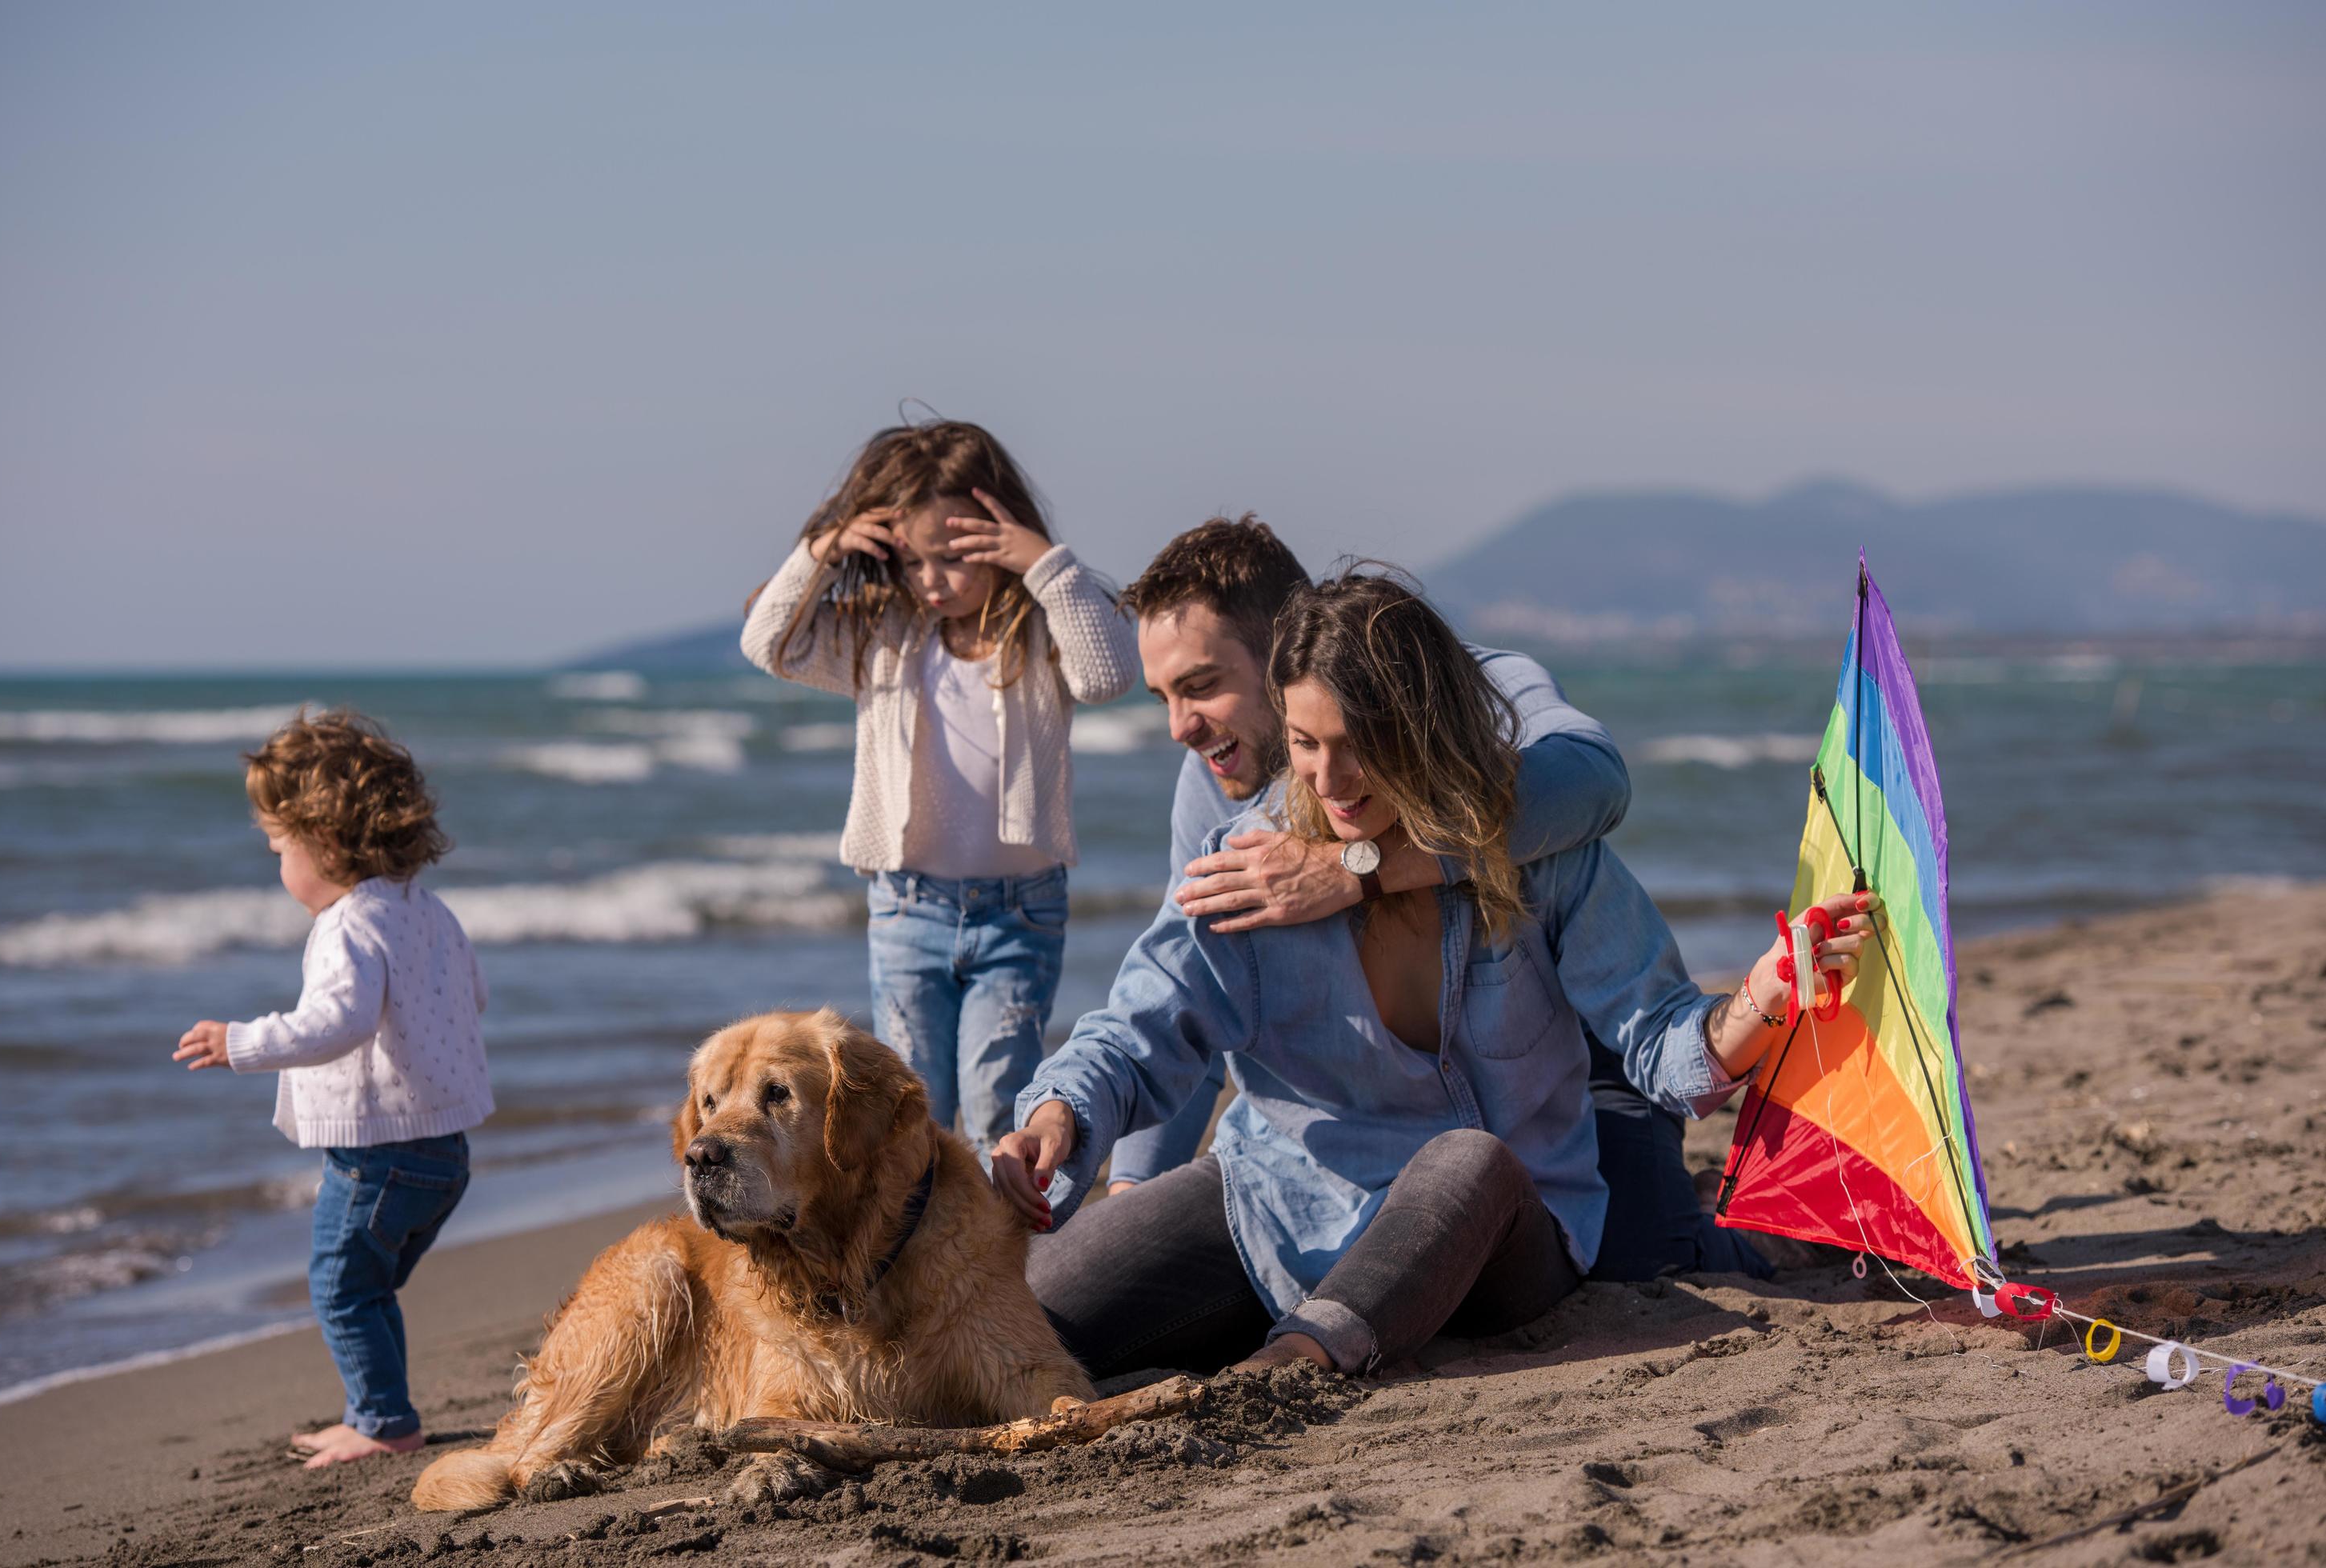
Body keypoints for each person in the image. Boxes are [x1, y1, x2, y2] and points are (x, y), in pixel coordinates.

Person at [990, 570, 1873, 1378]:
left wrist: (1763, 995)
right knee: (1014, 1324)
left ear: (1422, 724)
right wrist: (1058, 1111)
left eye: (1358, 743)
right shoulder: (1249, 864)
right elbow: (1140, 1028)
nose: (1330, 780)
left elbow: (1664, 1042)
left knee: (1467, 1161)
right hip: (1277, 1203)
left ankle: (1299, 1363)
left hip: (1503, 1231)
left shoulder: (1541, 857)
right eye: (1303, 743)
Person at [1107, 517, 1765, 1282]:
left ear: (1289, 643)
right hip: (1412, 1101)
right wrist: (1131, 1189)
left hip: (1576, 1031)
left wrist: (1357, 867)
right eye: (1162, 696)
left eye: (1201, 686)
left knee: (1642, 1258)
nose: (1179, 726)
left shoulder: (1473, 687)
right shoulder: (1210, 798)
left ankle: (1760, 1240)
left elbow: (1592, 781)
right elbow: (1190, 993)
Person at [743, 419, 1138, 1161]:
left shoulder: (1040, 629)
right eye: (914, 562)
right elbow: (769, 642)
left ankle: (992, 1261)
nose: (931, 581)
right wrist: (822, 550)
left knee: (996, 1106)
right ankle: (921, 1265)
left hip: (1019, 916)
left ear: (1000, 534)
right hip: (906, 910)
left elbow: (1110, 674)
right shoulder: (883, 636)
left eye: (954, 559)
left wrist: (1047, 564)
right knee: (911, 1114)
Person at [172, 710, 490, 1466]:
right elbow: (472, 995)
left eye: (279, 847)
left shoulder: (349, 925)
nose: (278, 865)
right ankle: (378, 1412)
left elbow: (337, 1023)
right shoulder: (428, 912)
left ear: (325, 841)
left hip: (376, 1160)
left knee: (343, 1290)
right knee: (367, 1293)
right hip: (444, 1154)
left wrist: (240, 1041)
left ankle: (384, 1425)